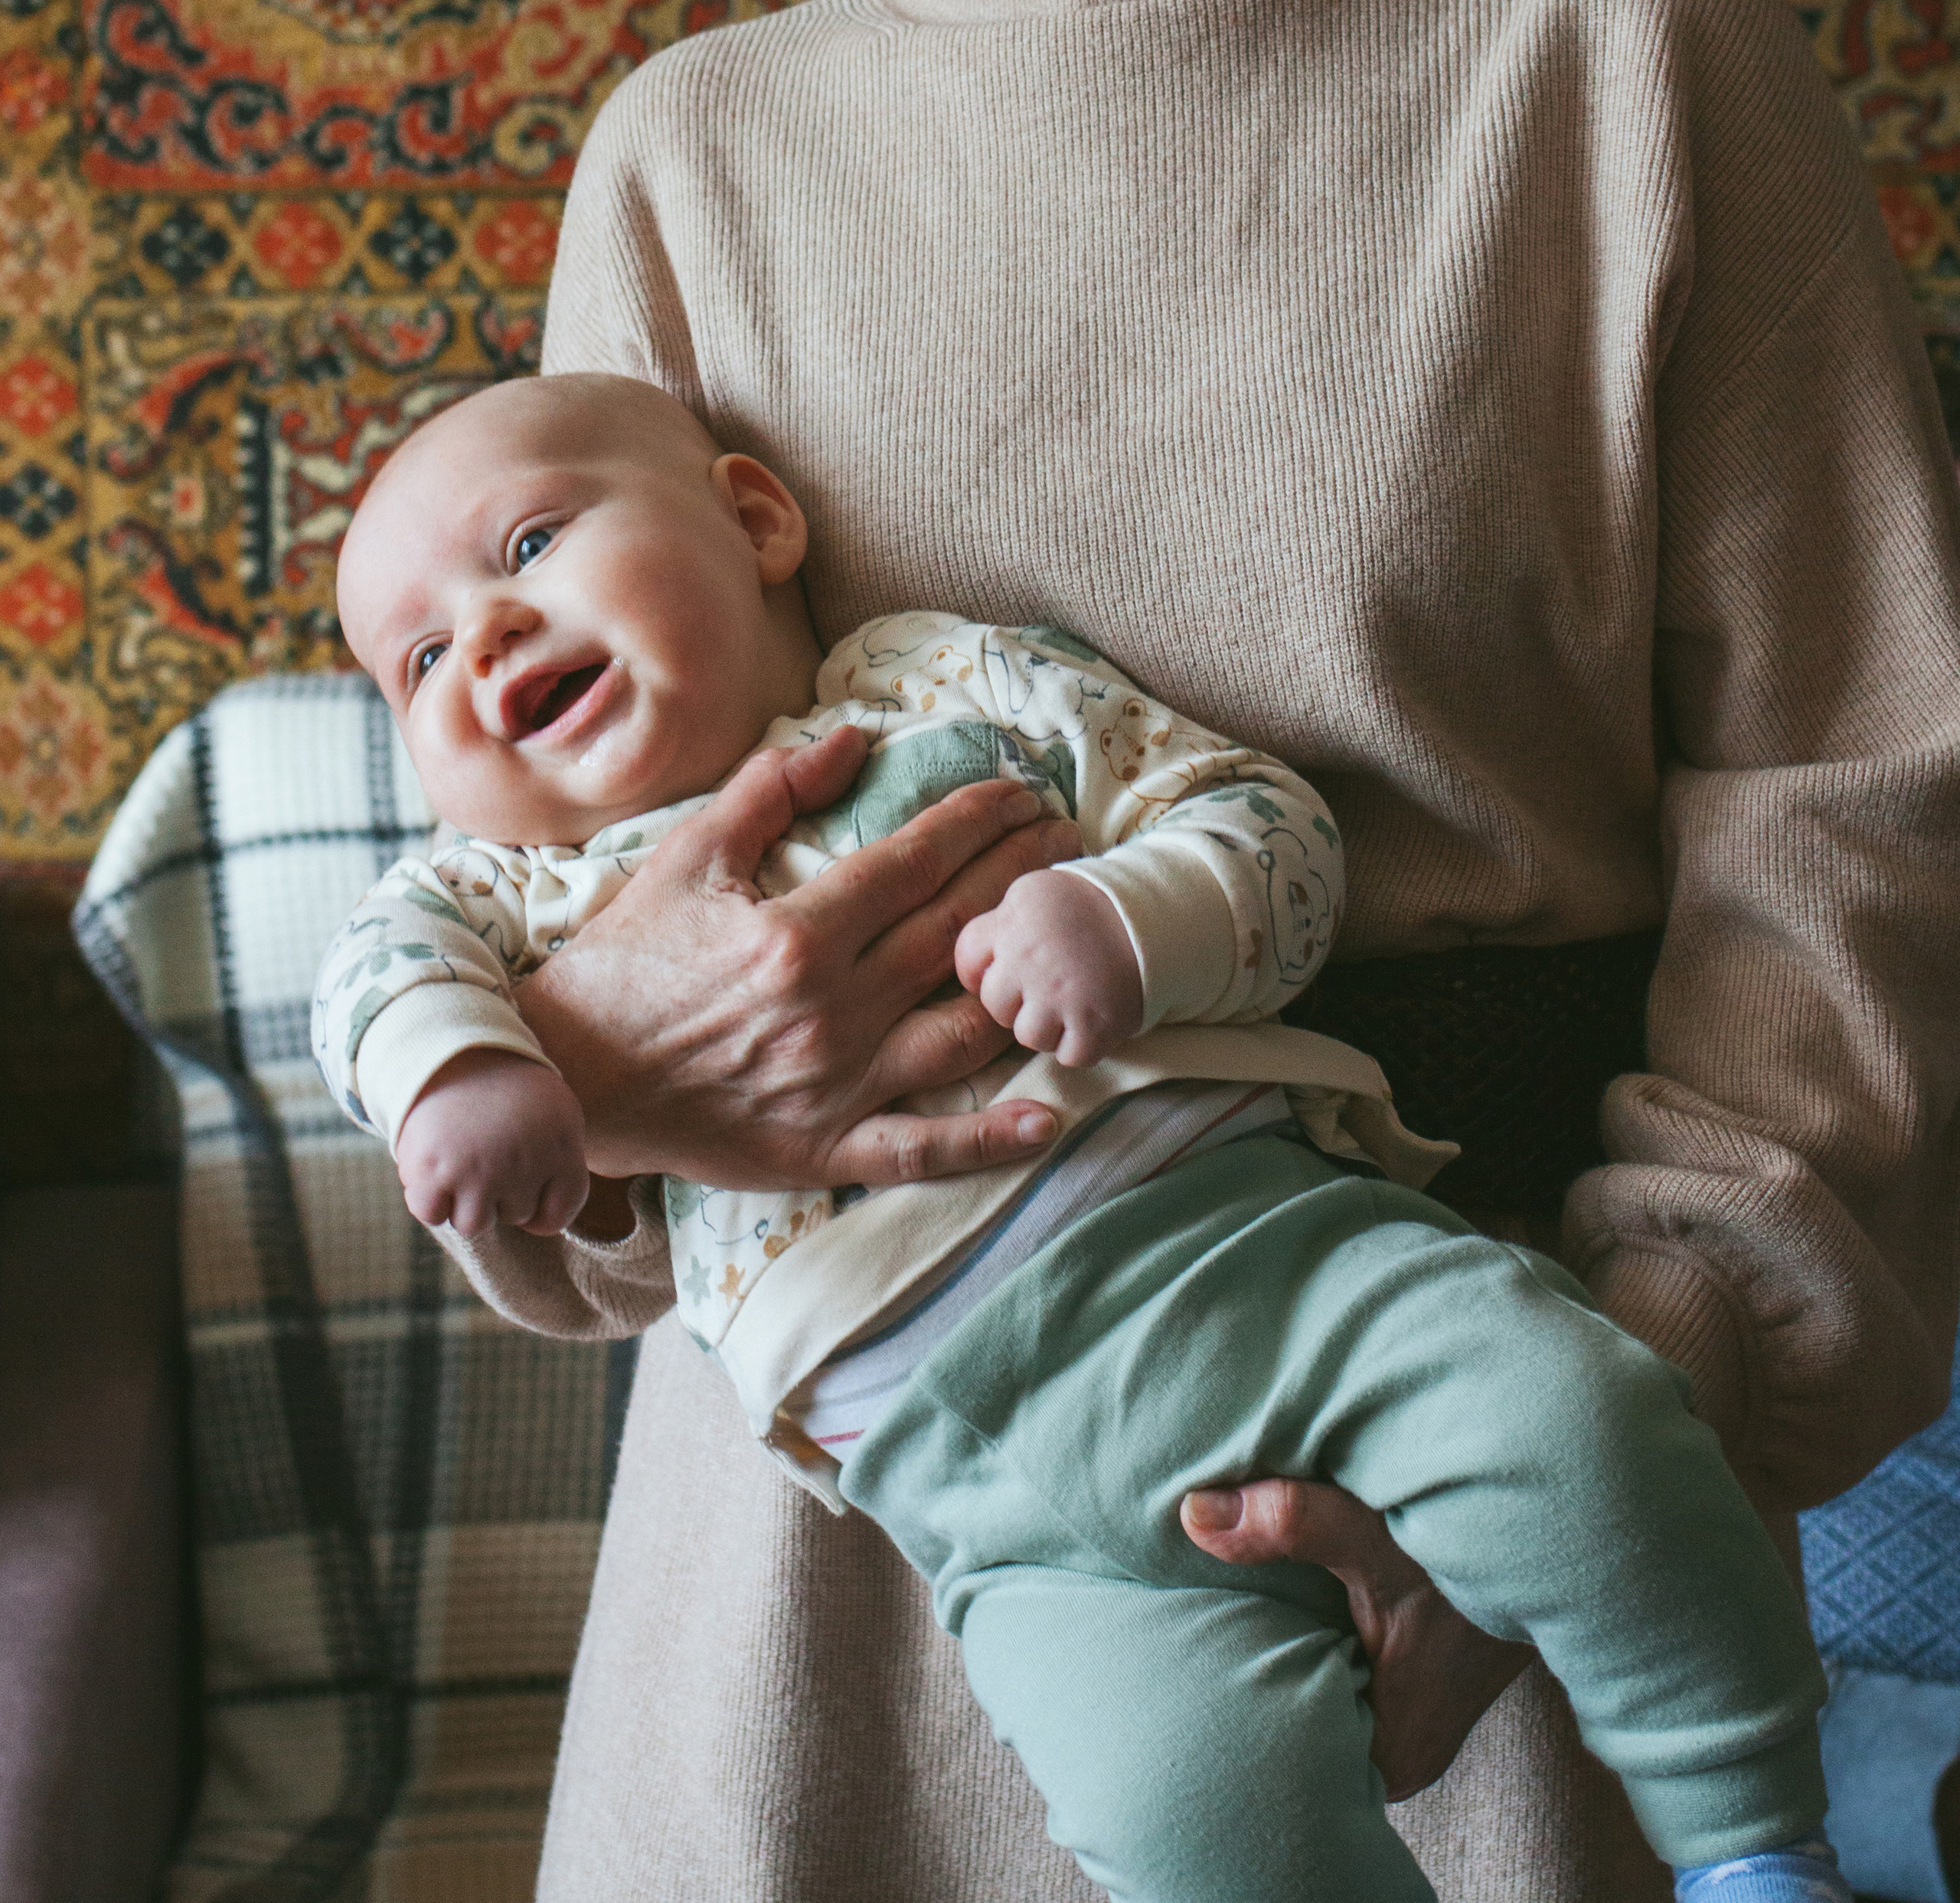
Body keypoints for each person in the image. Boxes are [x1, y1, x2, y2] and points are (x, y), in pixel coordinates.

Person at [388, 0, 1960, 1903]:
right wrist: (608, 1075)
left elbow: (1854, 809)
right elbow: (546, 866)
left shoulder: (1624, 32)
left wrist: (1638, 1384)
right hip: (852, 1547)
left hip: (1465, 1427)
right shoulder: (693, 151)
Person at [318, 371, 1851, 1903]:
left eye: (523, 551)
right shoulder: (495, 898)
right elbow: (372, 994)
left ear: (754, 517)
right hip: (986, 1497)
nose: (487, 642)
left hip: (1272, 1271)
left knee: (1581, 1429)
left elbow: (1264, 830)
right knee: (1183, 1812)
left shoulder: (936, 688)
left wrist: (1136, 914)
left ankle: (1745, 1843)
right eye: (420, 658)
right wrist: (487, 1080)